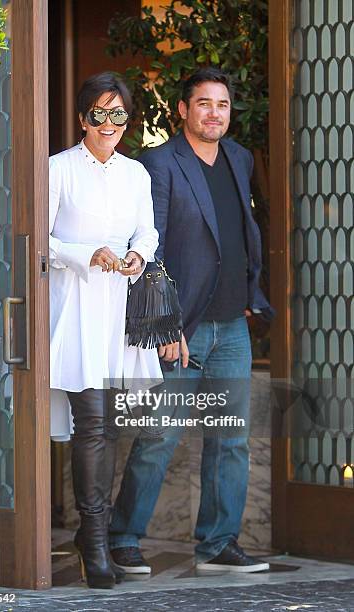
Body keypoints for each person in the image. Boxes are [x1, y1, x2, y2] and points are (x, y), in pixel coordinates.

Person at [109, 67, 274, 574]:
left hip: (231, 327)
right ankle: (122, 537)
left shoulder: (240, 159)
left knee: (231, 438)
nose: (214, 113)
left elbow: (243, 232)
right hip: (181, 327)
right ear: (183, 110)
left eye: (222, 105)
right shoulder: (159, 164)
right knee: (161, 434)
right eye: (203, 103)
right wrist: (165, 321)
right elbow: (148, 244)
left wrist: (252, 296)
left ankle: (218, 543)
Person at [48, 72, 162, 589]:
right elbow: (40, 240)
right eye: (100, 113)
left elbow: (148, 229)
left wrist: (139, 253)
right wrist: (81, 255)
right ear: (82, 118)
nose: (109, 124)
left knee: (111, 425)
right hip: (76, 306)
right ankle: (94, 543)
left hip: (121, 307)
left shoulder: (137, 174)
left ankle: (92, 536)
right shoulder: (58, 169)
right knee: (92, 423)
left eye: (119, 114)